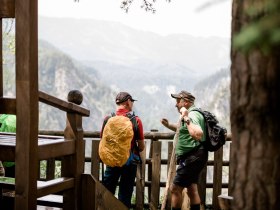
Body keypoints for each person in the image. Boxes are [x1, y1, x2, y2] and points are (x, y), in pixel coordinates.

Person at [161, 90, 208, 210]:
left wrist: (186, 116)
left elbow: (197, 134)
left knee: (175, 189)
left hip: (192, 156)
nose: (176, 104)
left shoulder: (192, 114)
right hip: (195, 155)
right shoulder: (190, 114)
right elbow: (184, 128)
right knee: (192, 189)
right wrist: (168, 125)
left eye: (178, 101)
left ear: (186, 102)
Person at [100, 91, 145, 208]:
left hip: (112, 161)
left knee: (107, 191)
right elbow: (141, 146)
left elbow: (103, 140)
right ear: (128, 102)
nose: (133, 104)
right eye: (132, 102)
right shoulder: (136, 120)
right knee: (125, 194)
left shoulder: (108, 119)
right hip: (129, 162)